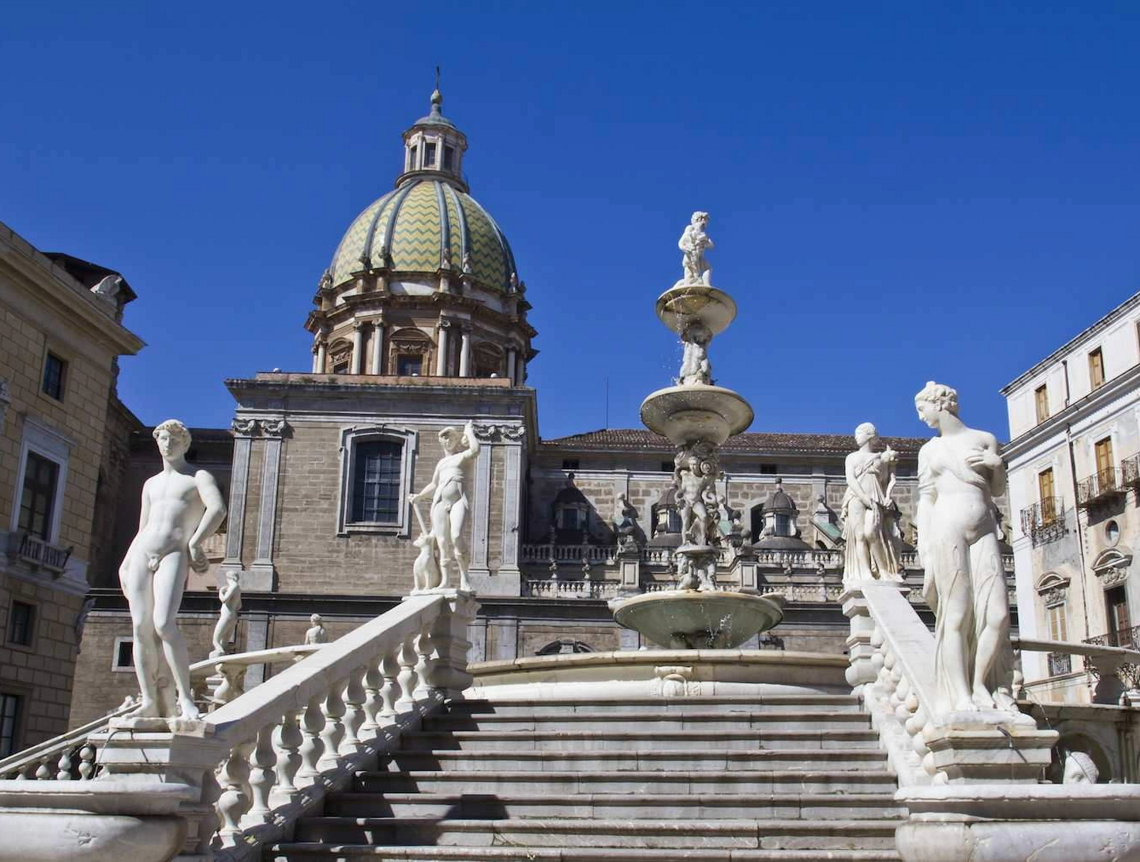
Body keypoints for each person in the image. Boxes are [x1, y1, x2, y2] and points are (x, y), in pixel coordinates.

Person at [914, 382, 1018, 715]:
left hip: (985, 526)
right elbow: (926, 499)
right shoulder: (929, 450)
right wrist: (923, 544)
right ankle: (960, 693)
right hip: (947, 527)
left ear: (940, 404)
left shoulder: (985, 439)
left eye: (922, 408)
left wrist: (996, 463)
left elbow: (998, 490)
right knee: (956, 613)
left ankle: (979, 684)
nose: (921, 416)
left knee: (998, 614)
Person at [119, 420, 226, 720]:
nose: (167, 444)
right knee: (140, 628)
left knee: (164, 624)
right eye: (163, 439)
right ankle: (149, 700)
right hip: (142, 552)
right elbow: (142, 527)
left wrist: (196, 543)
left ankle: (185, 699)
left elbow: (217, 509)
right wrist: (127, 561)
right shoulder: (150, 484)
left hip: (173, 552)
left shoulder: (197, 477)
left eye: (174, 440)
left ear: (185, 444)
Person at [409, 421, 480, 591]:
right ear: (441, 441)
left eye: (452, 438)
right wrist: (419, 496)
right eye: (445, 438)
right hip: (440, 501)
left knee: (456, 536)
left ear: (457, 440)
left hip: (458, 501)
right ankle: (445, 581)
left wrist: (469, 432)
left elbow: (476, 450)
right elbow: (434, 484)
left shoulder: (462, 457)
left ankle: (464, 577)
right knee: (441, 543)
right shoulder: (441, 464)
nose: (448, 441)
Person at [841, 423, 903, 583]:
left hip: (876, 499)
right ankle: (865, 572)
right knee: (859, 535)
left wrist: (888, 496)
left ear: (869, 435)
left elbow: (889, 480)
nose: (856, 436)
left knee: (872, 533)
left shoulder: (880, 458)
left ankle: (883, 570)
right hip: (856, 497)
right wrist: (863, 498)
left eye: (859, 433)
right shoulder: (851, 458)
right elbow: (851, 479)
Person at [210, 571, 242, 658]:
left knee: (215, 640)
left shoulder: (233, 586)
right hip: (233, 617)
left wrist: (221, 592)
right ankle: (223, 660)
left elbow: (224, 599)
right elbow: (239, 606)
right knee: (224, 643)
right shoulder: (238, 588)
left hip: (226, 616)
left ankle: (218, 658)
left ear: (229, 578)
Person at [678, 211, 714, 285]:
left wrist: (705, 243)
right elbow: (681, 242)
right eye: (703, 223)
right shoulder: (690, 229)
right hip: (690, 256)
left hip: (699, 257)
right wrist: (686, 248)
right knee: (689, 279)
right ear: (698, 220)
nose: (704, 226)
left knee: (708, 269)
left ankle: (706, 284)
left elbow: (711, 246)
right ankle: (678, 290)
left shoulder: (702, 233)